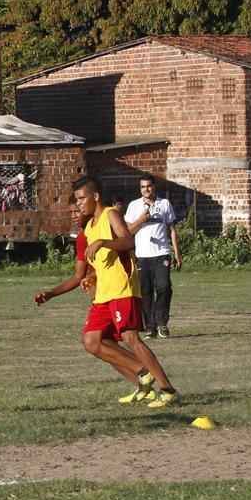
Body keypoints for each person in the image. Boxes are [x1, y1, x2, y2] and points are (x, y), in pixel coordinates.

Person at [71, 175, 179, 408]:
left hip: (122, 289)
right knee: (92, 342)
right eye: (76, 200)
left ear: (95, 196)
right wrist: (92, 276)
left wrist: (103, 242)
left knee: (131, 338)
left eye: (81, 198)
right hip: (103, 294)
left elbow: (129, 242)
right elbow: (102, 262)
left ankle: (167, 389)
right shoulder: (89, 227)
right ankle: (142, 376)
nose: (78, 203)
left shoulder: (110, 214)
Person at [124, 174, 181, 339]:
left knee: (163, 287)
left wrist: (177, 252)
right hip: (142, 255)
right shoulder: (134, 206)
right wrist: (141, 219)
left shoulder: (164, 204)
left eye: (149, 186)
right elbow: (128, 232)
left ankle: (162, 323)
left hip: (161, 253)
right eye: (143, 187)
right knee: (145, 291)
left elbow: (172, 229)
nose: (146, 189)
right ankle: (150, 326)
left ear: (154, 186)